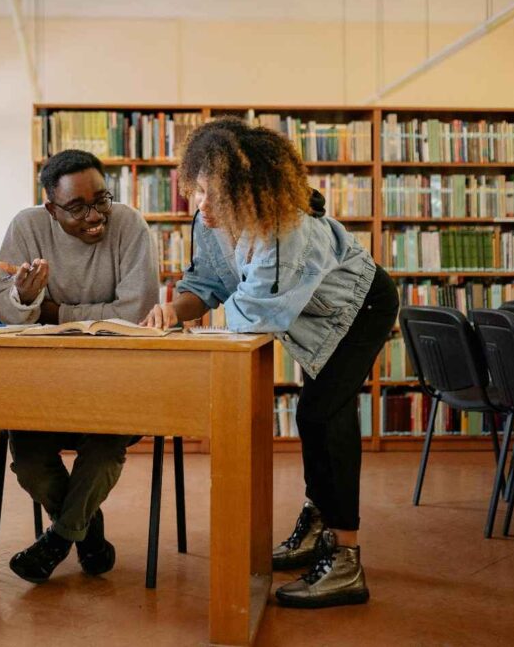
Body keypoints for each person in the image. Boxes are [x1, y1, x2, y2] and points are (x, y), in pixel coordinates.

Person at [141, 117, 399, 608]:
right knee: (313, 416)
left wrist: (194, 330)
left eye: (215, 195)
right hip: (312, 315)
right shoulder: (214, 220)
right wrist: (175, 310)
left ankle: (345, 560)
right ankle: (317, 523)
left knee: (324, 413)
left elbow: (251, 315)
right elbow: (208, 284)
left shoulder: (289, 231)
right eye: (197, 191)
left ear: (250, 191)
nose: (202, 206)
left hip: (360, 308)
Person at [0, 149, 159, 583]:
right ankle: (87, 534)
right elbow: (1, 307)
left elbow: (137, 309)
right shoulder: (27, 227)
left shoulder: (129, 224)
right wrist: (25, 300)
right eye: (77, 207)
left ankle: (60, 539)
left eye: (101, 199)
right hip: (43, 383)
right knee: (27, 460)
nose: (95, 216)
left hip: (117, 381)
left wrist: (53, 311)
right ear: (50, 207)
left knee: (103, 453)